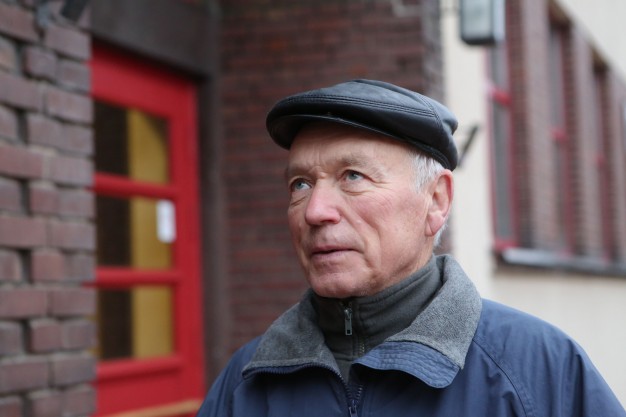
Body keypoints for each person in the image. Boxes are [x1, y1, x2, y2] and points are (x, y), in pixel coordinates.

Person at [196, 80, 625, 416]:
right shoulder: (245, 383)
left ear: (435, 201)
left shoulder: (538, 369)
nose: (315, 211)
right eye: (300, 184)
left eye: (353, 176)